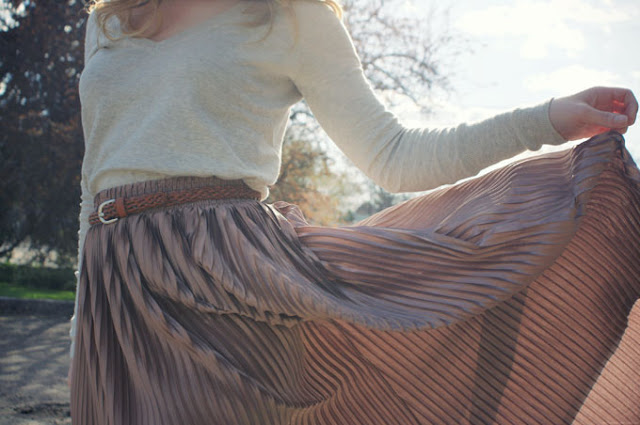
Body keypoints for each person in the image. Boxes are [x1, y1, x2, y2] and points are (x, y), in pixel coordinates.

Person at [69, 0, 640, 424]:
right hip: (111, 280)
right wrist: (85, 309)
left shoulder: (291, 17)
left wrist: (546, 120)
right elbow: (96, 173)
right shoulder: (111, 20)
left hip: (218, 272)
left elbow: (394, 156)